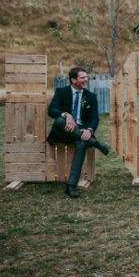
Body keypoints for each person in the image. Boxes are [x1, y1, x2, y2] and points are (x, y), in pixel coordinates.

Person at [47, 67, 111, 198]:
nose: (86, 80)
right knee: (59, 121)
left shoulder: (91, 96)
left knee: (81, 145)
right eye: (82, 78)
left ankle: (71, 186)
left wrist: (89, 130)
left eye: (86, 77)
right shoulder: (61, 92)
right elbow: (51, 110)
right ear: (73, 80)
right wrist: (66, 115)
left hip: (80, 134)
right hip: (62, 132)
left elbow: (95, 118)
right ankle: (96, 143)